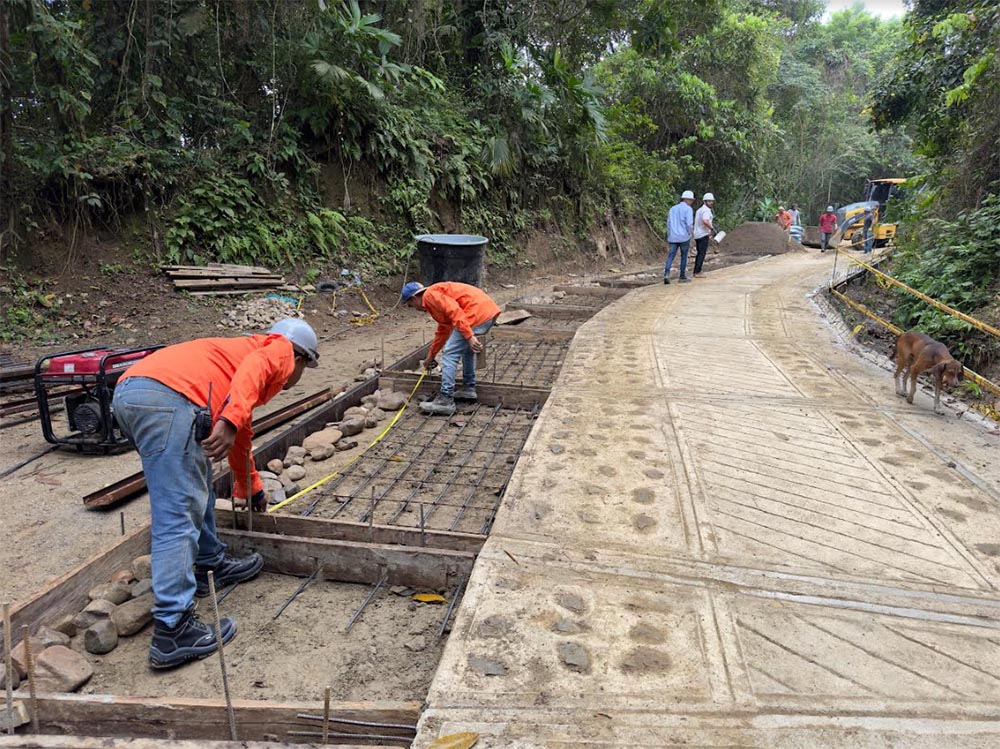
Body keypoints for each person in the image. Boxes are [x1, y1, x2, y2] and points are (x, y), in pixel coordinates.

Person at [111, 318, 319, 669]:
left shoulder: (236, 366)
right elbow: (251, 382)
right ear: (299, 357)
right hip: (168, 398)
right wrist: (229, 419)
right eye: (305, 368)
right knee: (178, 511)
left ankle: (210, 562)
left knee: (197, 481)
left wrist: (249, 485)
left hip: (134, 393)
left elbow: (241, 436)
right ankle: (173, 630)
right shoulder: (277, 350)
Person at [401, 281, 501, 416]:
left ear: (414, 298)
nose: (413, 308)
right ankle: (468, 388)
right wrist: (430, 356)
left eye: (411, 304)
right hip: (486, 312)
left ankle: (445, 400)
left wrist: (469, 335)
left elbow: (455, 311)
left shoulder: (430, 296)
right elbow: (443, 330)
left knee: (449, 354)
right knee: (466, 351)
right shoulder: (434, 299)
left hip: (476, 313)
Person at [664, 190, 695, 284]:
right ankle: (682, 276)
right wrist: (691, 234)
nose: (691, 202)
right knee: (684, 256)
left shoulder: (672, 208)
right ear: (688, 200)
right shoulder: (688, 209)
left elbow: (668, 223)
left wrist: (669, 234)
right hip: (684, 237)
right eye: (691, 200)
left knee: (671, 255)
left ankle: (666, 274)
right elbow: (689, 224)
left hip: (673, 236)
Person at [692, 192, 716, 278]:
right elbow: (705, 221)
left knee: (699, 253)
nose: (711, 203)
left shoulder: (699, 210)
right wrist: (712, 228)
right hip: (703, 234)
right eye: (709, 201)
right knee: (702, 253)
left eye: (712, 201)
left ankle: (696, 271)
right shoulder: (706, 210)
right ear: (705, 201)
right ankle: (697, 272)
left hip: (697, 234)